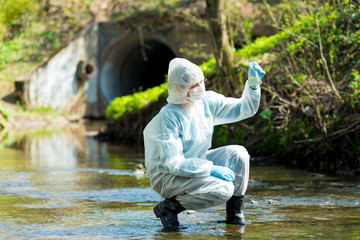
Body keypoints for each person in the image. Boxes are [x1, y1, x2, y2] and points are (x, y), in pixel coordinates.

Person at [143, 58, 265, 230]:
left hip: (196, 161)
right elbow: (174, 163)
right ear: (179, 89)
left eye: (201, 81)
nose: (200, 87)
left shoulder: (206, 102)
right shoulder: (168, 118)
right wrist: (210, 169)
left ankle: (235, 214)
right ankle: (170, 208)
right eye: (193, 85)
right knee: (223, 189)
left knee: (238, 153)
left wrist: (253, 85)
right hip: (167, 175)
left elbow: (243, 109)